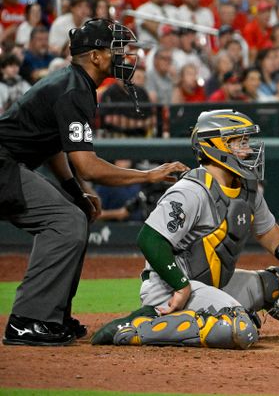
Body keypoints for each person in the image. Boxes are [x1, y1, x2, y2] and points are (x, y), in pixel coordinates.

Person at [91, 109, 279, 348]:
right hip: (172, 289)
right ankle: (136, 327)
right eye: (239, 142)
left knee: (278, 282)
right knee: (240, 328)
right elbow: (149, 239)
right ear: (215, 147)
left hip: (211, 284)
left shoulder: (247, 188)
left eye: (246, 141)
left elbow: (269, 233)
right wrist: (181, 287)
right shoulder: (191, 190)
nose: (248, 149)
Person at [0, 18, 188, 346]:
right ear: (96, 57)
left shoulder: (76, 84)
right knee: (65, 221)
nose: (123, 56)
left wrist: (76, 193)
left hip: (11, 163)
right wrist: (149, 174)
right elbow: (86, 165)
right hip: (4, 164)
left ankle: (51, 316)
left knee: (75, 215)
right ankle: (27, 320)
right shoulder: (74, 89)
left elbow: (54, 146)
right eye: (115, 49)